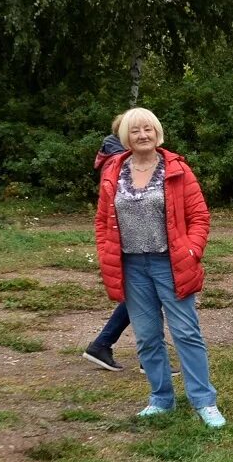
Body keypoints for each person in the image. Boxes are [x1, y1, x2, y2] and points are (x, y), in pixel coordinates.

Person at [93, 108, 224, 428]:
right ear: (126, 136)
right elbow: (101, 220)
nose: (143, 135)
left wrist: (191, 251)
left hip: (171, 262)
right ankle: (161, 399)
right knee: (148, 337)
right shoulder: (114, 169)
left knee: (185, 333)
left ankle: (204, 401)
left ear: (157, 133)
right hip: (132, 265)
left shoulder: (176, 169)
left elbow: (200, 217)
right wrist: (105, 252)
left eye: (148, 129)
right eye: (135, 130)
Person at [84, 130, 133, 371]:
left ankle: (103, 344)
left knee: (142, 296)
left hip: (128, 240)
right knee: (142, 295)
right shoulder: (120, 161)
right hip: (128, 241)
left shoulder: (117, 156)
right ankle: (104, 344)